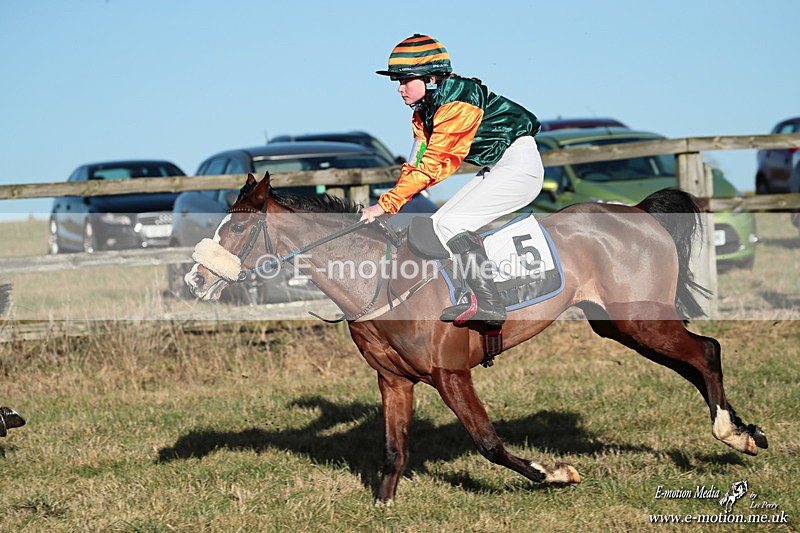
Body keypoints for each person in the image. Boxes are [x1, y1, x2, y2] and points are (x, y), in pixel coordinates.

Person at [360, 34, 544, 327]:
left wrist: (384, 207)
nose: (399, 89)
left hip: (519, 166)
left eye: (405, 80)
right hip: (499, 166)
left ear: (431, 78)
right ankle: (472, 293)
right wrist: (390, 203)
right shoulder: (424, 111)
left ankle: (490, 305)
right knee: (439, 223)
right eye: (397, 81)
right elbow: (415, 164)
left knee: (450, 224)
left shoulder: (459, 100)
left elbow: (434, 166)